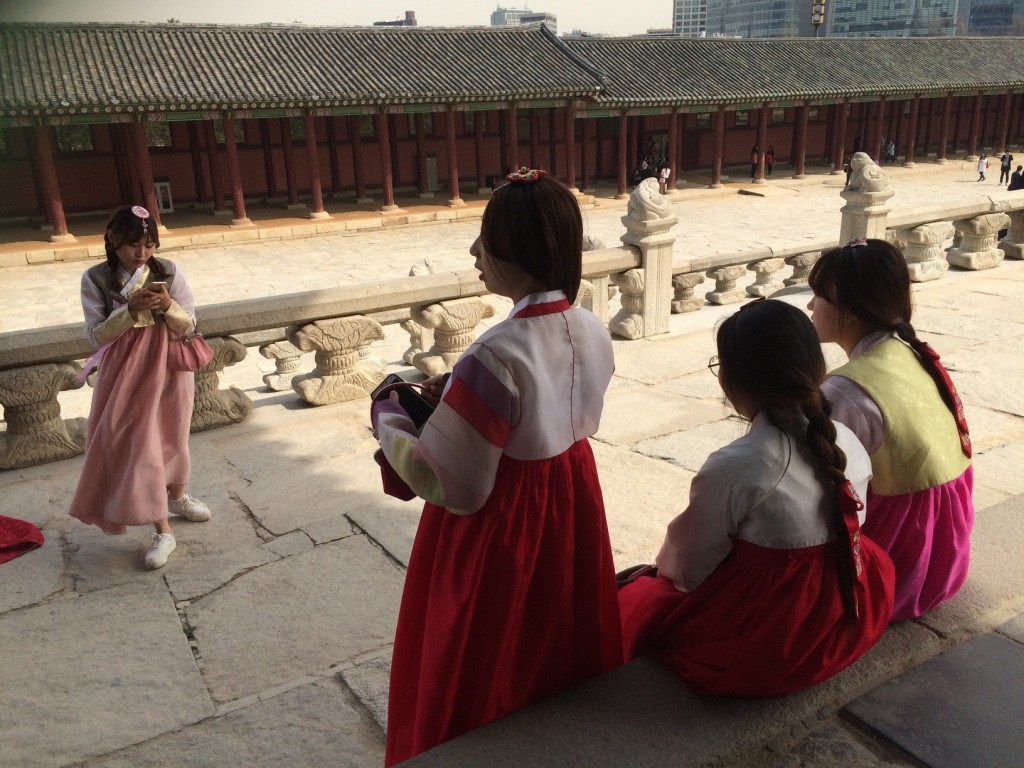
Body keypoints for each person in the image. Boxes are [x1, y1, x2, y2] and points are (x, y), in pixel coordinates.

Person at [372, 168, 623, 765]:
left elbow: (449, 481)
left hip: (505, 516)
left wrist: (390, 414)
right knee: (557, 625)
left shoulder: (495, 351)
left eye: (485, 238)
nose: (474, 251)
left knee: (483, 646)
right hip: (568, 491)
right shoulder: (590, 326)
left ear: (516, 249)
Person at [617, 299, 894, 696]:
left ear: (733, 382)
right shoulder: (846, 440)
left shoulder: (735, 467)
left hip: (774, 637)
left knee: (639, 599)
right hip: (850, 609)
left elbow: (687, 567)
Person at [807, 238, 974, 621]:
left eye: (819, 296)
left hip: (902, 566)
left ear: (850, 310)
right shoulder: (914, 352)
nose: (810, 306)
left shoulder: (845, 392)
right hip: (945, 559)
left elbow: (826, 496)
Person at [69, 205, 211, 570]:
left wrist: (169, 306)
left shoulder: (167, 271)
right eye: (134, 245)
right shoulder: (96, 279)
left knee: (172, 436)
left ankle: (176, 495)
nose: (142, 254)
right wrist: (128, 311)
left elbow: (191, 323)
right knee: (139, 444)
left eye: (149, 245)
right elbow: (94, 335)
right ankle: (162, 528)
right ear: (113, 239)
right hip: (125, 371)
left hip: (170, 365)